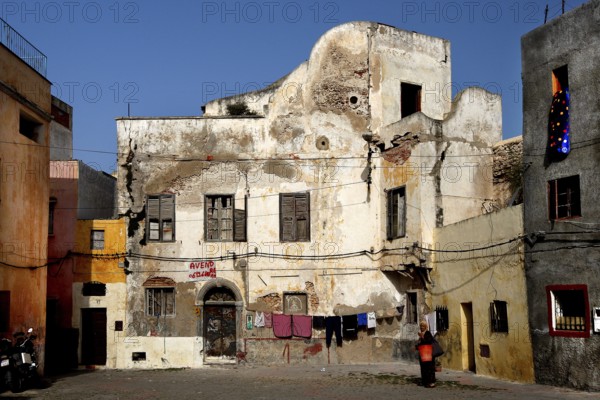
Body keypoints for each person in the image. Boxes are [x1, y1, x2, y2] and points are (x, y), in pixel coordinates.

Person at [416, 320, 436, 388]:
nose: (421, 327)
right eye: (421, 326)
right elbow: (420, 344)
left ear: (426, 327)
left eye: (423, 326)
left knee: (429, 368)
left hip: (428, 354)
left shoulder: (428, 333)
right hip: (422, 354)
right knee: (423, 368)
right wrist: (416, 346)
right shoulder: (421, 333)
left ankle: (430, 382)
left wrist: (422, 337)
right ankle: (424, 381)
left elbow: (428, 343)